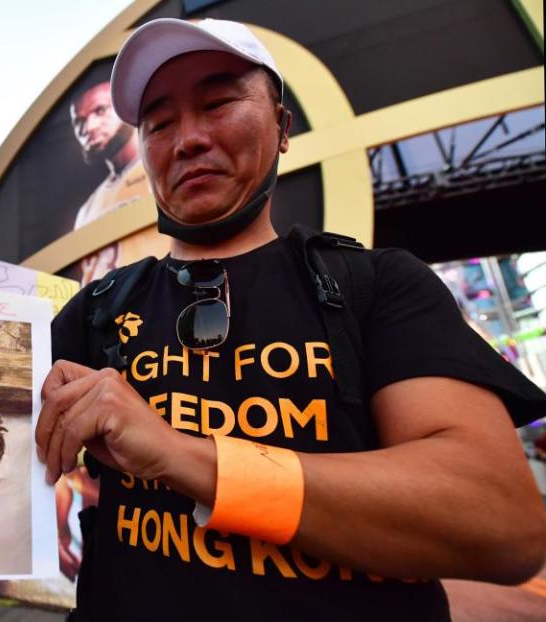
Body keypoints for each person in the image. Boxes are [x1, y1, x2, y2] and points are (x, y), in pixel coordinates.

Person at [35, 18, 546, 621]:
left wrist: (178, 454)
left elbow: (499, 522)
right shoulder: (96, 310)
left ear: (282, 126)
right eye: (159, 124)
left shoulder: (376, 286)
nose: (188, 139)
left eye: (219, 102)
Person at [69, 81, 154, 286]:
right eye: (79, 122)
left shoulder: (161, 170)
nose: (89, 127)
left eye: (100, 110)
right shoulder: (87, 210)